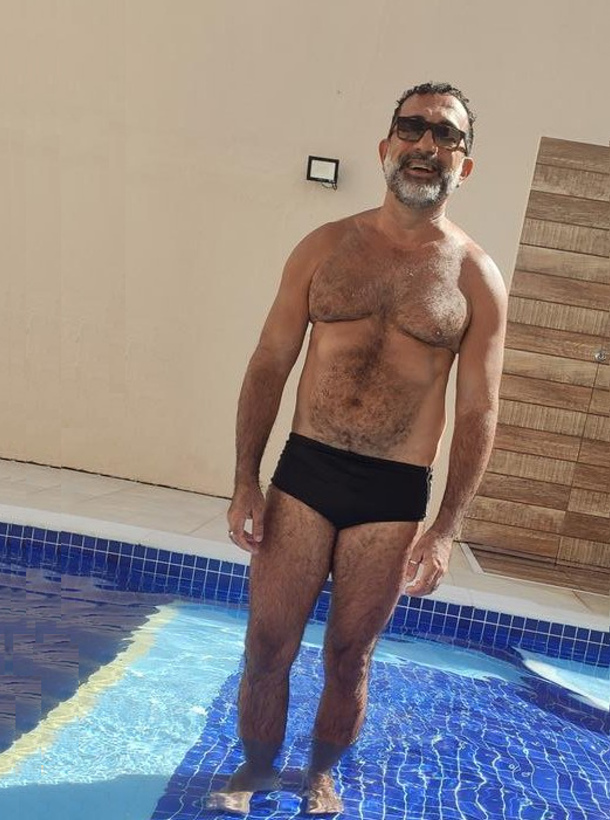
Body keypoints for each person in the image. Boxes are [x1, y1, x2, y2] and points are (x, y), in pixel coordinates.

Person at [209, 81, 507, 815]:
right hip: (306, 473)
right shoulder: (324, 247)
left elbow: (478, 410)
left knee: (349, 658)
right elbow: (270, 361)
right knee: (267, 647)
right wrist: (245, 479)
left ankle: (318, 774)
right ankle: (255, 771)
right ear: (385, 146)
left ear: (465, 165)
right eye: (412, 127)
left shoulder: (475, 278)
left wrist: (446, 529)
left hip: (392, 492)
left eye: (446, 134)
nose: (426, 144)